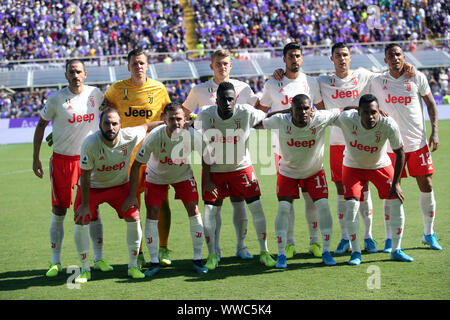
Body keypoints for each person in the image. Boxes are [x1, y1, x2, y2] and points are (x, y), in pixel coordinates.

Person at [32, 59, 110, 278]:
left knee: (92, 210)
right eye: (71, 72)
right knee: (59, 210)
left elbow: (111, 114)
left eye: (79, 72)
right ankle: (55, 261)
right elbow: (41, 125)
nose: (75, 75)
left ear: (85, 74)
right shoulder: (56, 99)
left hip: (90, 161)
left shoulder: (97, 95)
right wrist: (35, 158)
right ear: (66, 75)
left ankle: (99, 258)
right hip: (63, 162)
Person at [183, 49, 259, 261]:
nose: (222, 67)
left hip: (237, 158)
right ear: (211, 66)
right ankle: (214, 252)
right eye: (218, 63)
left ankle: (241, 247)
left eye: (225, 63)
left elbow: (258, 110)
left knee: (239, 202)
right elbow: (184, 113)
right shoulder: (198, 90)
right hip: (212, 160)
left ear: (231, 65)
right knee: (213, 208)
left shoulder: (243, 88)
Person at [73, 107, 163, 282]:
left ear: (120, 126)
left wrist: (169, 123)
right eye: (106, 123)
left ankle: (133, 265)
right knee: (81, 219)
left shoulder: (129, 135)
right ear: (99, 124)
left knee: (134, 216)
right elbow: (84, 175)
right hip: (92, 188)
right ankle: (84, 269)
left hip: (120, 186)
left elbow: (146, 126)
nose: (111, 127)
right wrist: (84, 205)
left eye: (115, 124)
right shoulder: (90, 143)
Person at [123, 102, 211, 276]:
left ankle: (198, 259)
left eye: (179, 119)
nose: (176, 123)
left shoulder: (192, 135)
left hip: (182, 175)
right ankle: (154, 262)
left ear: (185, 119)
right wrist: (132, 195)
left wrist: (207, 182)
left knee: (193, 210)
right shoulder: (154, 136)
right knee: (153, 213)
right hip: (156, 177)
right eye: (171, 119)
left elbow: (207, 157)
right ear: (164, 120)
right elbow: (136, 165)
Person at [196, 81, 277, 269]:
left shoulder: (246, 112)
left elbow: (265, 116)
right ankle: (213, 254)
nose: (227, 103)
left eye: (230, 99)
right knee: (210, 211)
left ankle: (259, 250)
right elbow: (201, 146)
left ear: (235, 100)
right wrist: (207, 179)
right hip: (215, 170)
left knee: (255, 207)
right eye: (223, 99)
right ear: (216, 100)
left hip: (241, 167)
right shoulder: (206, 116)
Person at [104, 48, 173, 266]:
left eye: (142, 63)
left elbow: (168, 117)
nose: (139, 67)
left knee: (161, 202)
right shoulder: (116, 90)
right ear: (128, 66)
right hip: (127, 158)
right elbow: (103, 113)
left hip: (156, 155)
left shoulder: (159, 89)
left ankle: (163, 248)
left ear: (147, 65)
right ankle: (139, 252)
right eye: (134, 63)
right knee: (134, 205)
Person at [370, 43, 442, 251]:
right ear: (385, 60)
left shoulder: (416, 77)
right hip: (391, 146)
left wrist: (435, 131)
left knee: (427, 185)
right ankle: (389, 238)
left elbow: (430, 104)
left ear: (404, 57)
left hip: (417, 143)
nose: (395, 58)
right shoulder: (377, 80)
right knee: (390, 190)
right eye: (390, 55)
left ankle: (429, 233)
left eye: (398, 54)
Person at [255, 94, 340, 268]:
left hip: (314, 171)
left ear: (312, 109)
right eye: (298, 109)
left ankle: (325, 250)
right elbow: (258, 123)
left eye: (306, 108)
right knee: (284, 208)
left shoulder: (321, 117)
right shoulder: (280, 120)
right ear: (291, 110)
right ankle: (281, 254)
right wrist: (282, 111)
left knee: (323, 205)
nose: (303, 112)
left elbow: (342, 110)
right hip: (288, 172)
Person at [258, 42, 325, 260]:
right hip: (283, 150)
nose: (294, 59)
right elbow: (260, 112)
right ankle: (289, 244)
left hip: (309, 150)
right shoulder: (272, 83)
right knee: (287, 202)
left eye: (297, 56)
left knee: (310, 199)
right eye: (290, 56)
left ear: (301, 59)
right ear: (284, 59)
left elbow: (322, 111)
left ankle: (315, 241)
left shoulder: (312, 83)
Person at [334, 94, 413, 265]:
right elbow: (328, 115)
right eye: (365, 112)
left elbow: (400, 152)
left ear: (379, 111)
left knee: (396, 200)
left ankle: (396, 250)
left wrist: (397, 183)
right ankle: (355, 253)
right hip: (352, 166)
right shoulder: (347, 119)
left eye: (374, 112)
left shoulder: (388, 123)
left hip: (380, 165)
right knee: (351, 205)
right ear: (358, 112)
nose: (370, 116)